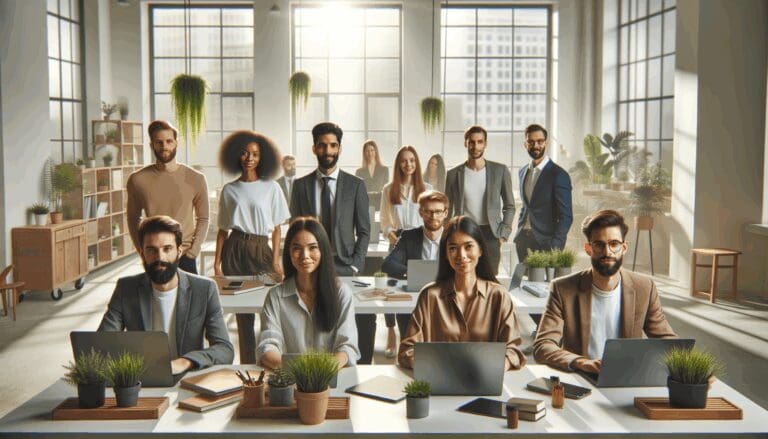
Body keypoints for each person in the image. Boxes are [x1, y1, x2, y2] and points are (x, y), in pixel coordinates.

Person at [533, 210, 677, 373]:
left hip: (626, 378)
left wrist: (698, 373)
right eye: (599, 244)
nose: (607, 252)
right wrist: (581, 363)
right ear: (589, 249)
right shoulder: (562, 289)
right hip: (582, 378)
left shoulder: (644, 287)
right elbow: (543, 346)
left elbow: (666, 341)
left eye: (614, 244)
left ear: (624, 248)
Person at [98, 215, 234, 374]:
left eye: (167, 249)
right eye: (151, 250)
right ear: (142, 253)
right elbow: (102, 345)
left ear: (179, 251)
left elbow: (225, 350)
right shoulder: (126, 288)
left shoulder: (204, 289)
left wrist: (185, 362)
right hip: (141, 379)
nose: (160, 257)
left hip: (187, 378)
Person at [398, 216, 526, 371]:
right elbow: (407, 350)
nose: (461, 255)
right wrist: (433, 368)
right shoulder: (430, 295)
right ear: (445, 254)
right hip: (440, 382)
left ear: (480, 250)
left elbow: (513, 350)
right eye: (453, 248)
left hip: (485, 381)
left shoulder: (498, 296)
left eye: (468, 246)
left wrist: (496, 368)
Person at [213, 130, 289, 364]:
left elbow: (277, 229)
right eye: (245, 153)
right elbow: (223, 230)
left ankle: (271, 361)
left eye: (255, 154)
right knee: (242, 313)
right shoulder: (229, 190)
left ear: (261, 157)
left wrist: (276, 261)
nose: (249, 158)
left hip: (261, 249)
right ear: (237, 156)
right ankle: (247, 367)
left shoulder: (272, 187)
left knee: (269, 303)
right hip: (234, 249)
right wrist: (217, 264)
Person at [258, 217, 360, 369]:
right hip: (289, 380)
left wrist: (320, 372)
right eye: (297, 248)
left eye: (312, 247)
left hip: (330, 378)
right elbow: (268, 347)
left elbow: (347, 347)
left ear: (322, 250)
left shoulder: (341, 293)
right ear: (289, 252)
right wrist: (304, 371)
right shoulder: (275, 297)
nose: (305, 255)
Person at [126, 120, 209, 274]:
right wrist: (142, 250)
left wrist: (193, 252)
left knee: (188, 298)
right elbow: (133, 219)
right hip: (154, 255)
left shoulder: (196, 178)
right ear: (152, 145)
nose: (164, 146)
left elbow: (203, 218)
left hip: (185, 255)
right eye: (159, 142)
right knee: (154, 298)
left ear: (176, 143)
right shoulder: (137, 180)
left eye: (169, 141)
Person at [289, 122, 370, 276]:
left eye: (333, 145)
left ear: (340, 148)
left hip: (345, 263)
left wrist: (356, 265)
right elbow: (295, 230)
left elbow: (364, 230)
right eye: (322, 145)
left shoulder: (356, 185)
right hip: (310, 264)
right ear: (314, 148)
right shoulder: (300, 185)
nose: (328, 151)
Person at [377, 190, 449, 349]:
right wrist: (413, 272)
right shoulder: (409, 236)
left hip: (445, 302)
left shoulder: (453, 238)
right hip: (412, 304)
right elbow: (388, 264)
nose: (433, 216)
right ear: (421, 212)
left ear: (445, 213)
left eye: (438, 211)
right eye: (428, 211)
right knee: (410, 351)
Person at [444, 126, 515, 276]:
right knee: (463, 276)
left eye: (479, 142)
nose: (475, 146)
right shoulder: (453, 174)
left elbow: (509, 206)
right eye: (471, 142)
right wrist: (448, 235)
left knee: (489, 279)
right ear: (465, 143)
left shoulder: (500, 170)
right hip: (464, 231)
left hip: (491, 234)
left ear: (485, 144)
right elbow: (447, 209)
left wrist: (503, 234)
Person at [514, 124, 573, 263]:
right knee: (523, 282)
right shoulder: (522, 171)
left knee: (545, 284)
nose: (536, 145)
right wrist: (519, 232)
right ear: (525, 144)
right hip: (523, 240)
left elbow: (566, 216)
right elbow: (526, 205)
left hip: (546, 243)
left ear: (546, 143)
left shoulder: (558, 174)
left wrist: (555, 246)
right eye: (531, 142)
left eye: (540, 141)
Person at [355, 139, 389, 209]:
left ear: (376, 151)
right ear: (364, 153)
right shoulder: (359, 171)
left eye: (372, 150)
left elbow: (386, 191)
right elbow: (358, 192)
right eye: (367, 151)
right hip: (364, 205)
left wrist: (370, 194)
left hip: (381, 205)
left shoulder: (384, 170)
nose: (370, 153)